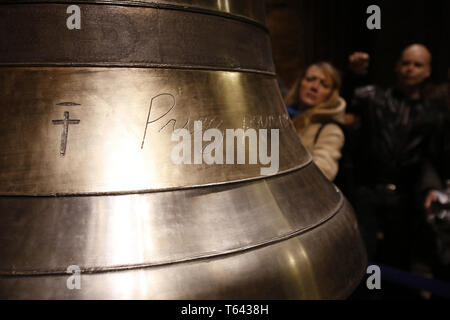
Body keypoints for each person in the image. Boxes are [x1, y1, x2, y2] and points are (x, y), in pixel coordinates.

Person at [346, 44, 443, 275]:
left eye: (417, 65)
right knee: (361, 260)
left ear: (428, 71)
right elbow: (349, 100)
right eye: (406, 63)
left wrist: (431, 187)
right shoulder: (375, 98)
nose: (410, 69)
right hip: (367, 192)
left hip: (405, 200)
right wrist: (355, 74)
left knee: (396, 263)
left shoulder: (433, 114)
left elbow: (431, 157)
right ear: (397, 66)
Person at [285, 62, 346, 181]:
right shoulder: (280, 116)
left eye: (324, 84)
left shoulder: (330, 129)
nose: (314, 87)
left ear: (331, 95)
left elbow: (323, 171)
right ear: (300, 83)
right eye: (310, 79)